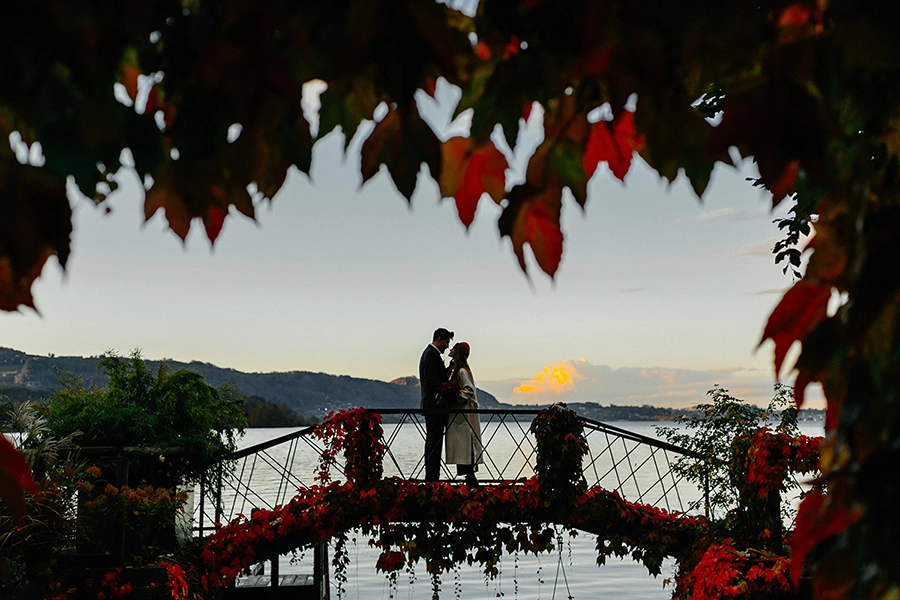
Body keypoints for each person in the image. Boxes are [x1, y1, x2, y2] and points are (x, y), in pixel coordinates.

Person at [445, 342, 483, 487]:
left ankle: (471, 485)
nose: (451, 350)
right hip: (459, 417)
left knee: (465, 448)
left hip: (463, 416)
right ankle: (470, 484)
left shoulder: (461, 371)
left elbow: (469, 389)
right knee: (463, 449)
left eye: (453, 348)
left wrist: (456, 399)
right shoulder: (457, 370)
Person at [419, 327, 453, 482]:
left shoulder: (429, 354)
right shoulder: (432, 355)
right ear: (439, 339)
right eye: (446, 342)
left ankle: (432, 477)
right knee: (434, 442)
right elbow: (432, 381)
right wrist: (447, 388)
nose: (447, 346)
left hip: (431, 405)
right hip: (434, 406)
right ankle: (432, 477)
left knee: (434, 441)